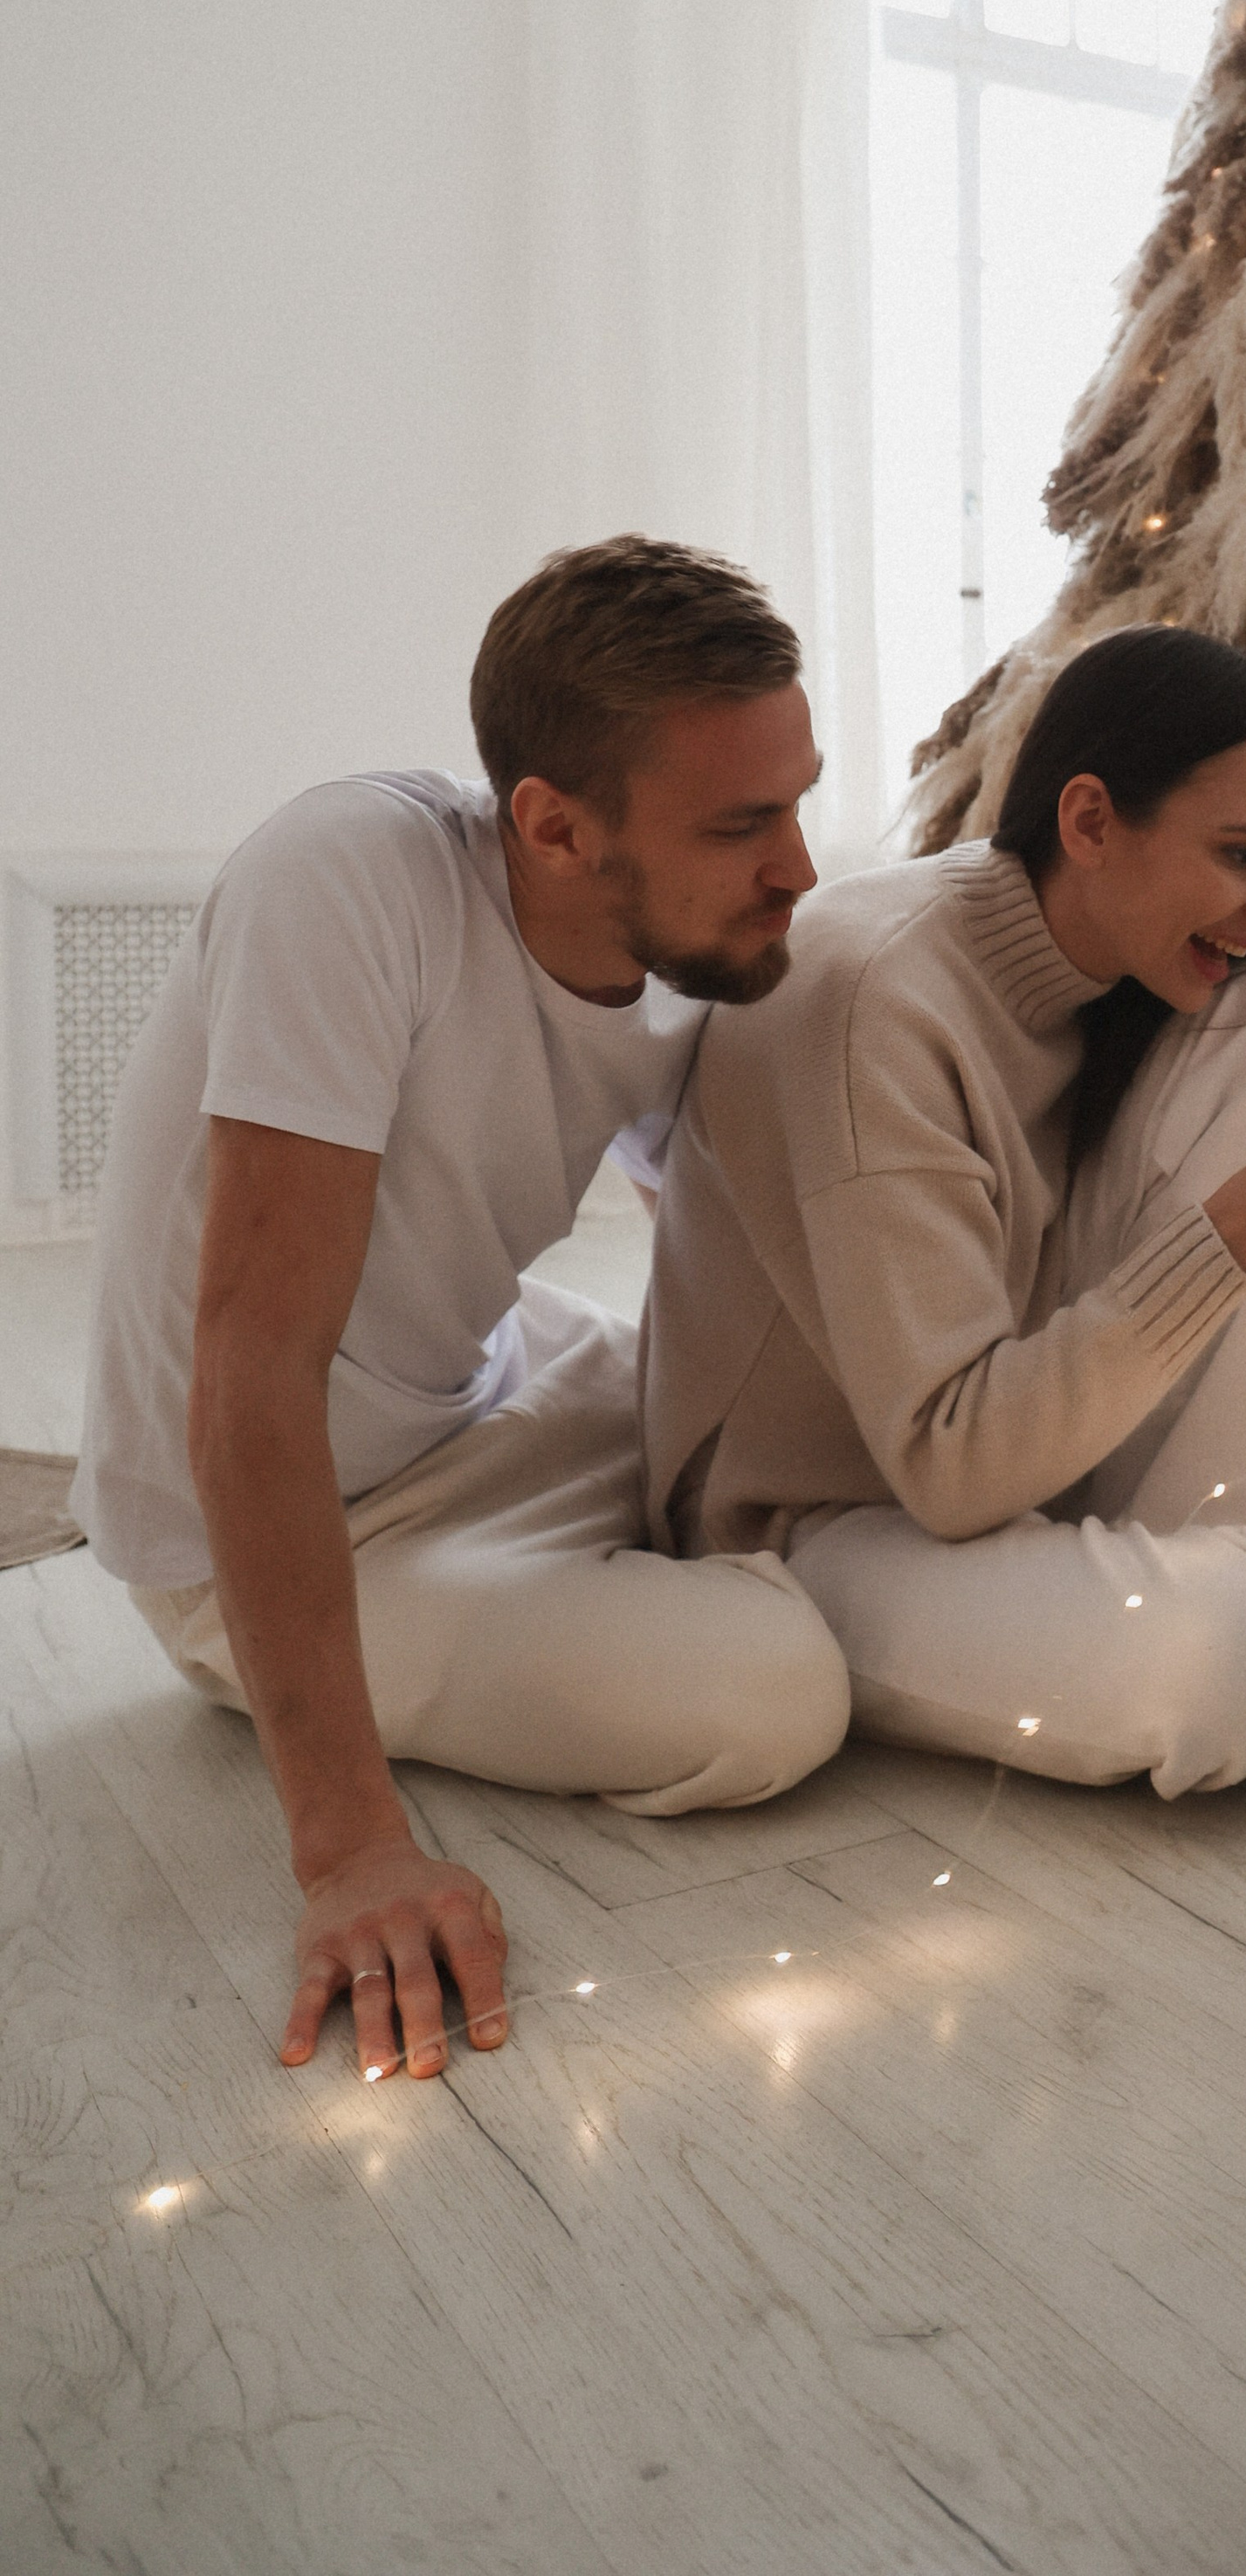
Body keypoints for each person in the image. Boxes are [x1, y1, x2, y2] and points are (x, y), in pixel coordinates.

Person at [77, 539, 850, 2085]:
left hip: (492, 1395)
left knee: (810, 1447)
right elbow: (250, 1370)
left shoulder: (692, 948)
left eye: (800, 799)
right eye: (743, 823)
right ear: (554, 827)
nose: (799, 869)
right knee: (774, 1698)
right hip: (276, 1523)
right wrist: (351, 1848)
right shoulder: (348, 880)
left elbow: (723, 1255)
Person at [644, 627, 1246, 1792]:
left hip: (1029, 1479)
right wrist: (1234, 1238)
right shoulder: (872, 995)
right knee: (1208, 1663)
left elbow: (1201, 1360)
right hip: (816, 1525)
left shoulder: (1123, 989)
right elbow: (953, 1465)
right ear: (1088, 823)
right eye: (1242, 854)